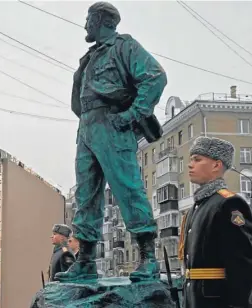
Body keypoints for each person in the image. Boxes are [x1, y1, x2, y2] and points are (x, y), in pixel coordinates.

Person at [56, 1, 167, 283]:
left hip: (112, 125)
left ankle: (147, 259)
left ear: (102, 20)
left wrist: (132, 114)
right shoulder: (90, 57)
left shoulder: (124, 46)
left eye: (89, 20)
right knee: (86, 195)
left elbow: (154, 77)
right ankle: (85, 261)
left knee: (127, 188)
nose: (85, 25)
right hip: (88, 128)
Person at [178, 136, 252, 308]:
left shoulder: (229, 203)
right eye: (190, 160)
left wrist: (238, 305)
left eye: (197, 160)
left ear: (216, 165)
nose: (190, 165)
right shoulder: (195, 209)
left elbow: (242, 263)